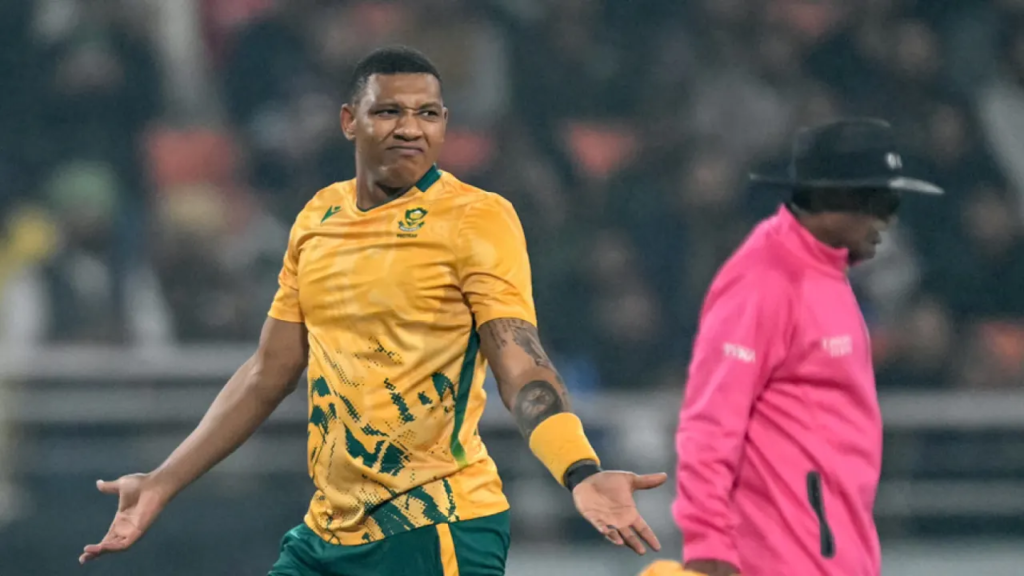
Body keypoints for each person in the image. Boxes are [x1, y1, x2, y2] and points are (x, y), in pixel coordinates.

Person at [80, 46, 667, 575]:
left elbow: (520, 362)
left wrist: (579, 469)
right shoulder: (318, 218)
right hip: (327, 534)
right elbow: (267, 373)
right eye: (389, 111)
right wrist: (163, 481)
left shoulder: (476, 218)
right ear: (348, 121)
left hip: (437, 527)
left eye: (428, 113)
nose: (410, 128)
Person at [639, 119, 943, 576]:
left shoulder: (825, 276)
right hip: (780, 557)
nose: (887, 219)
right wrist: (708, 546)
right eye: (877, 201)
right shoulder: (764, 279)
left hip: (832, 553)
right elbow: (710, 424)